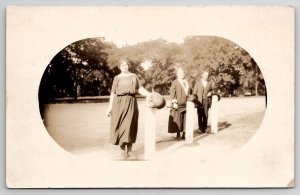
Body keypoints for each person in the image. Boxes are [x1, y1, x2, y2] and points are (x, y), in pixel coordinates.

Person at [106, 60, 152, 158]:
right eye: (122, 65)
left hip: (131, 102)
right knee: (121, 126)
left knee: (130, 125)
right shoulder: (116, 78)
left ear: (128, 66)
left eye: (126, 64)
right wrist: (110, 108)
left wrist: (149, 94)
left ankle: (130, 150)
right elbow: (113, 93)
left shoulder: (134, 76)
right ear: (120, 67)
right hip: (118, 104)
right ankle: (122, 150)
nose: (124, 66)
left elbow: (139, 89)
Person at [168, 66, 192, 140]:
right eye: (180, 73)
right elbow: (172, 93)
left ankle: (184, 133)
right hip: (178, 104)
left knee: (186, 119)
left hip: (186, 103)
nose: (181, 74)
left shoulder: (187, 82)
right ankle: (178, 133)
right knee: (178, 120)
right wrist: (174, 102)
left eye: (182, 73)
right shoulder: (175, 82)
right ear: (177, 74)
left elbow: (190, 92)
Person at [193, 67, 215, 133]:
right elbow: (194, 92)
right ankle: (200, 128)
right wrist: (195, 102)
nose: (206, 76)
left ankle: (204, 128)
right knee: (199, 115)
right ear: (202, 75)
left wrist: (210, 93)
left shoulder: (209, 83)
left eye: (207, 75)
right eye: (205, 75)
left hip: (207, 101)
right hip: (199, 101)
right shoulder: (197, 83)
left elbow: (213, 90)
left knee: (206, 115)